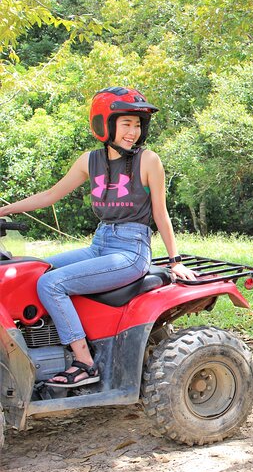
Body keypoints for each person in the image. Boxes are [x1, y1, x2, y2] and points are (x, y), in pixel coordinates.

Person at [0, 86, 196, 388]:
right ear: (105, 123)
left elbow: (161, 213)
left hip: (131, 252)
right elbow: (51, 195)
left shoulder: (149, 161)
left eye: (137, 124)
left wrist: (176, 261)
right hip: (100, 243)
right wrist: (4, 211)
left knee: (51, 283)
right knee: (33, 273)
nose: (133, 131)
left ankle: (84, 362)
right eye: (126, 123)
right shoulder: (89, 161)